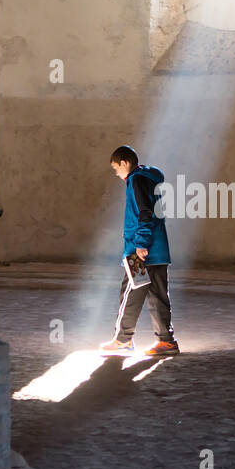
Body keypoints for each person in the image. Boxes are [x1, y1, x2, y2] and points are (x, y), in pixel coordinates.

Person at [99, 145, 179, 356]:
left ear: (125, 163)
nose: (117, 174)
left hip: (141, 252)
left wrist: (140, 243)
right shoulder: (149, 178)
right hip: (159, 251)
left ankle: (123, 340)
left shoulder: (136, 180)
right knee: (158, 296)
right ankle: (166, 341)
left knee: (130, 294)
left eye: (116, 168)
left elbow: (145, 213)